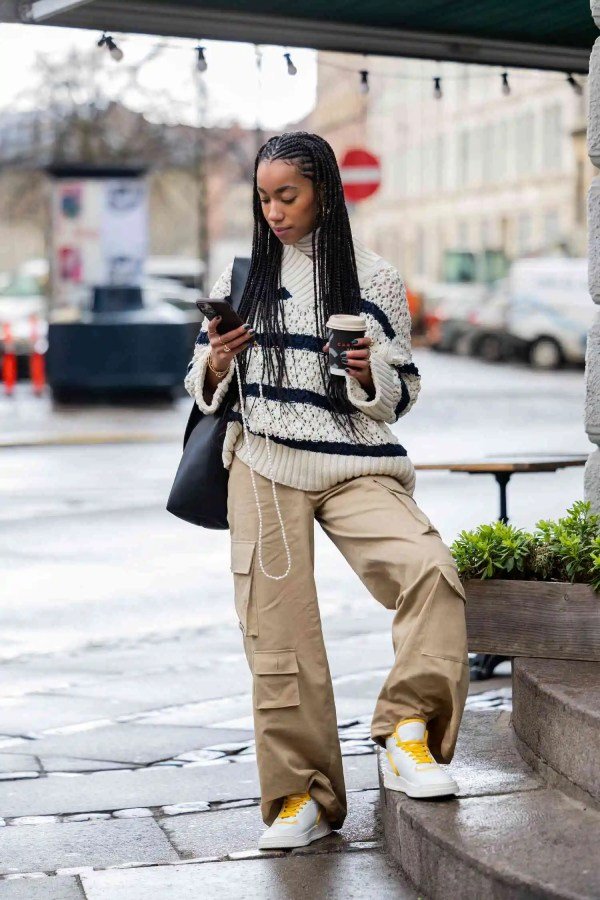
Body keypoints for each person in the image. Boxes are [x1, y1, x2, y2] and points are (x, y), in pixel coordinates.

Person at [184, 132, 469, 850]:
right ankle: (299, 797)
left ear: (324, 194)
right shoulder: (242, 270)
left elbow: (399, 393)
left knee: (430, 571)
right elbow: (200, 385)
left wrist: (368, 369)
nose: (273, 210)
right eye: (263, 197)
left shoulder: (373, 278)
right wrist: (216, 362)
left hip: (356, 462)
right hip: (264, 461)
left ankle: (407, 734)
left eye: (289, 195)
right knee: (278, 635)